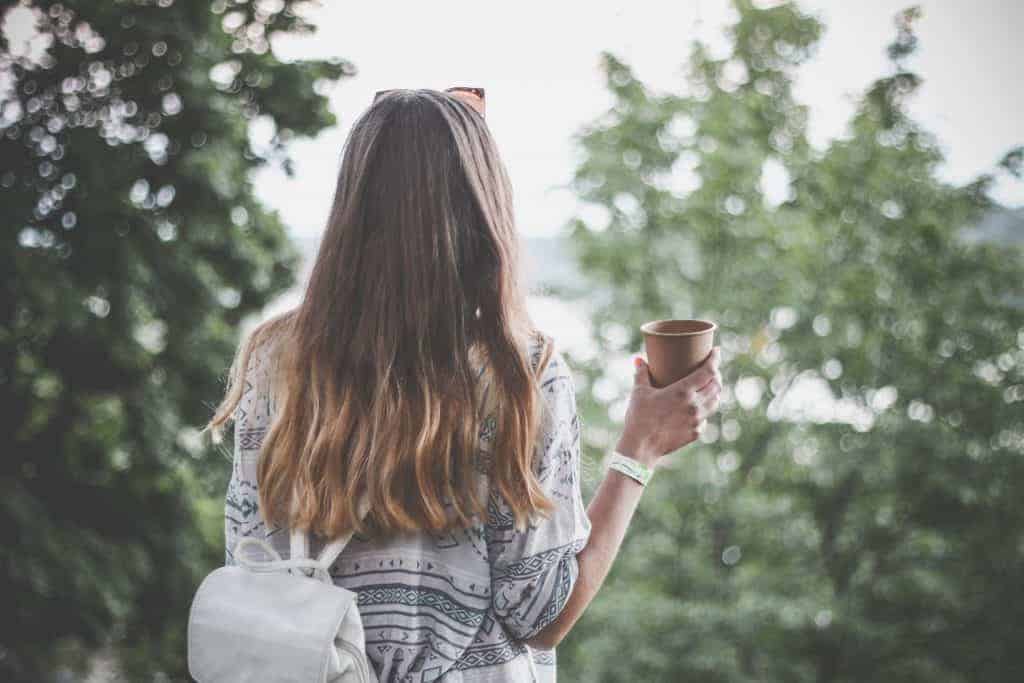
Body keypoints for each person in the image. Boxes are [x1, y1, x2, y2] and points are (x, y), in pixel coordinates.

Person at [203, 87, 723, 683]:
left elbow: (251, 565)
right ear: (483, 211)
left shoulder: (277, 361)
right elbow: (540, 615)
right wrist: (639, 450)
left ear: (351, 207)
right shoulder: (515, 373)